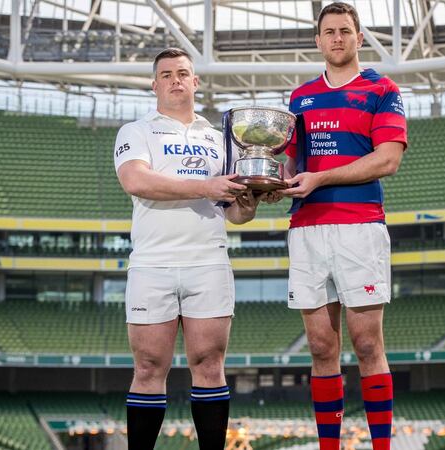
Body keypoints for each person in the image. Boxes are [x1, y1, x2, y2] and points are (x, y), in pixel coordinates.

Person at [113, 47, 263, 450]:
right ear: (154, 84)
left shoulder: (219, 139)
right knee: (147, 367)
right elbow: (137, 182)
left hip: (208, 262)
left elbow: (234, 214)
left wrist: (245, 205)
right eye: (166, 74)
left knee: (210, 365)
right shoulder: (136, 131)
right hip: (152, 264)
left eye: (183, 73)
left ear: (196, 82)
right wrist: (206, 186)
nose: (175, 80)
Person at [278, 3, 408, 450]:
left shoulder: (382, 89)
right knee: (319, 348)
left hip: (359, 226)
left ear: (359, 37)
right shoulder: (299, 98)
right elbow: (292, 163)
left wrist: (322, 177)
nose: (337, 38)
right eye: (328, 32)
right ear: (318, 40)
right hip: (307, 228)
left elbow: (387, 158)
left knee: (368, 344)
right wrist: (274, 181)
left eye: (345, 31)